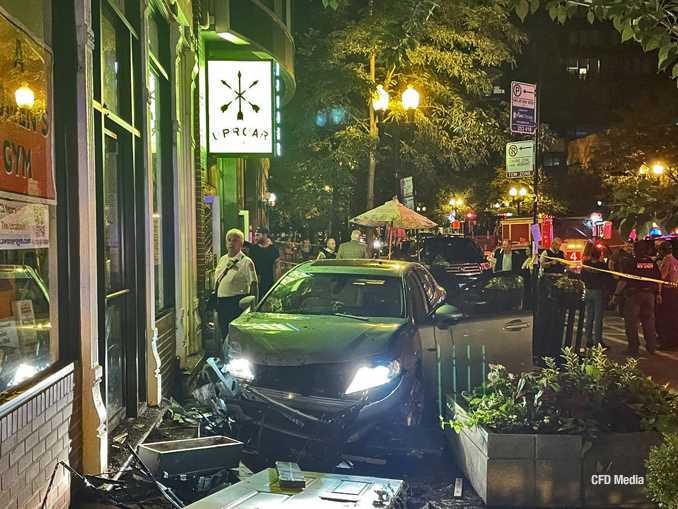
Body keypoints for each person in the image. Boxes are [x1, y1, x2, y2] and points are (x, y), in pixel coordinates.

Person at [613, 241, 661, 356]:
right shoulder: (651, 262)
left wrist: (616, 294)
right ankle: (651, 347)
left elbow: (623, 281)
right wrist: (658, 293)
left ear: (635, 250)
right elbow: (658, 279)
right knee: (649, 321)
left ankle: (633, 348)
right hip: (649, 295)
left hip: (634, 295)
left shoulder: (632, 263)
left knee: (631, 322)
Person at [215, 229, 258, 340]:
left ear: (241, 243)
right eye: (229, 240)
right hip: (222, 303)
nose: (231, 243)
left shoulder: (246, 262)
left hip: (236, 304)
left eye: (235, 241)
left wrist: (253, 307)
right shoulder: (222, 260)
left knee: (235, 336)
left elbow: (254, 284)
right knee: (224, 333)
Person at [581, 247, 611, 349]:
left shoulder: (586, 264)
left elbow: (582, 277)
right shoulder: (602, 266)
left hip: (588, 291)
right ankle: (598, 341)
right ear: (599, 255)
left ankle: (588, 340)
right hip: (598, 292)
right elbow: (607, 278)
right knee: (598, 318)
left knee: (589, 317)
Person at [656, 241, 678, 350]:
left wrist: (659, 293)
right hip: (674, 292)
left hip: (667, 292)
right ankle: (674, 341)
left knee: (664, 318)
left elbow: (661, 278)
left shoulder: (666, 261)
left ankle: (667, 342)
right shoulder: (675, 261)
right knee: (674, 317)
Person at [248, 226, 280, 297]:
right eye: (255, 235)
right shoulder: (252, 249)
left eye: (258, 235)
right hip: (254, 282)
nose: (256, 238)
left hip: (268, 281)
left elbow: (277, 268)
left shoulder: (273, 251)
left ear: (265, 236)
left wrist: (277, 284)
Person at [609, 240, 634, 317]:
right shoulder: (618, 253)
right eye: (628, 244)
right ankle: (622, 313)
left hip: (631, 279)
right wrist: (614, 274)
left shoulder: (633, 254)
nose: (629, 246)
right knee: (621, 296)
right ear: (623, 244)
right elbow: (611, 263)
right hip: (621, 278)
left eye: (631, 244)